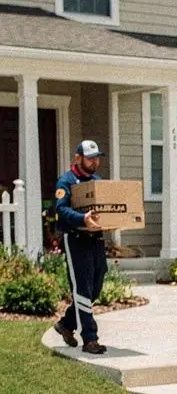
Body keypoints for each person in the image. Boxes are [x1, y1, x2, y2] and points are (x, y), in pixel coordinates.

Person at [53, 140, 108, 355]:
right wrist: (82, 218)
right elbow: (61, 209)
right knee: (83, 289)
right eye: (90, 158)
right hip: (76, 239)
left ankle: (66, 323)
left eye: (97, 158)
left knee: (95, 287)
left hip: (96, 239)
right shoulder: (66, 181)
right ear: (78, 158)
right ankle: (90, 338)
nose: (95, 162)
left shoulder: (97, 181)